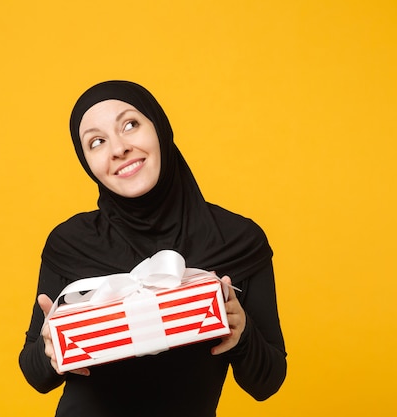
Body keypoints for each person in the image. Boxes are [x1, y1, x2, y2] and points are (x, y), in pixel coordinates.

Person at [19, 80, 287, 417]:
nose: (118, 149)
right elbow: (35, 376)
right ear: (87, 162)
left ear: (159, 128)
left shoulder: (237, 240)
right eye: (97, 142)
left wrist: (242, 332)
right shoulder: (71, 242)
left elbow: (267, 382)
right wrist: (49, 349)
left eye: (130, 124)